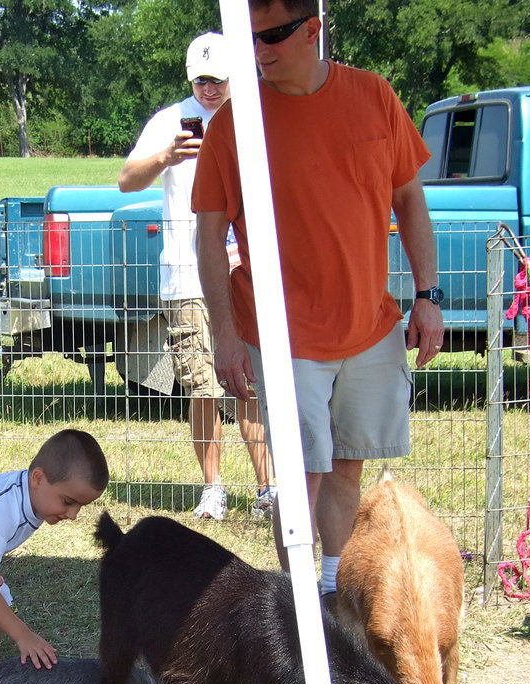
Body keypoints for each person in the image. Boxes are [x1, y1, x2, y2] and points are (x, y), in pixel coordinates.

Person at [192, 0, 443, 593]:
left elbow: (409, 201)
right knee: (301, 474)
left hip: (369, 327)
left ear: (313, 28)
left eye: (272, 36)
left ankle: (334, 595)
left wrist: (428, 295)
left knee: (348, 466)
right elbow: (207, 232)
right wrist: (224, 333)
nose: (259, 51)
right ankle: (297, 606)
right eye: (249, 39)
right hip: (281, 335)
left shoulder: (375, 97)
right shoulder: (235, 121)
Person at [118, 31, 276, 523]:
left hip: (243, 274)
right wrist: (166, 156)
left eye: (219, 80)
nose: (209, 90)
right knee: (202, 387)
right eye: (201, 81)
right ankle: (213, 489)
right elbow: (126, 180)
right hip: (185, 280)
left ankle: (268, 488)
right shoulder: (168, 122)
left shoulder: (255, 116)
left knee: (246, 383)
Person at [0, 428, 109, 674]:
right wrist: (24, 636)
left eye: (81, 506)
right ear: (38, 478)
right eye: (68, 502)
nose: (73, 515)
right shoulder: (3, 510)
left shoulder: (31, 499)